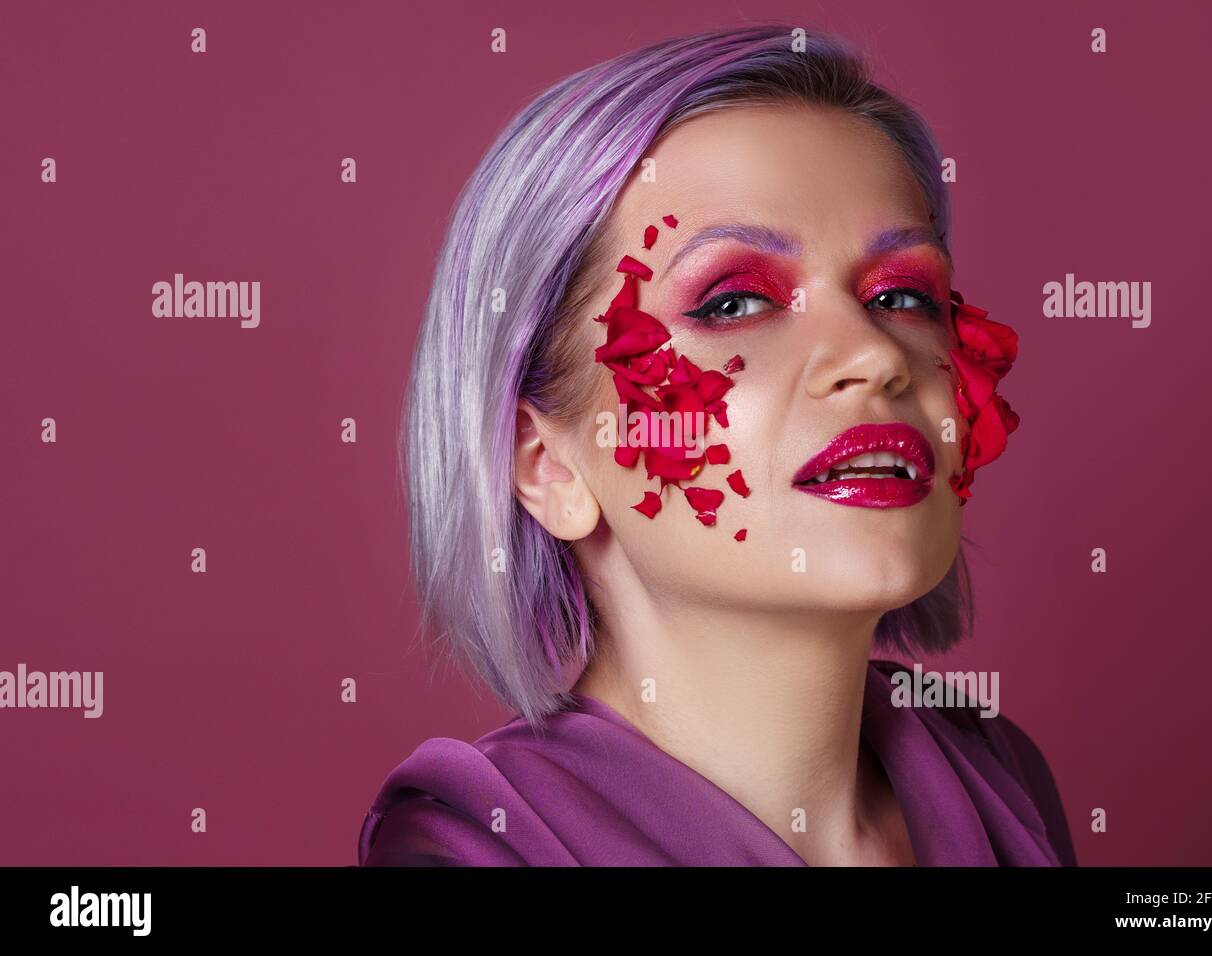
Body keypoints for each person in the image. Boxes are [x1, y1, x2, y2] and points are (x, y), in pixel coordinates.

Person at [358, 23, 1074, 867]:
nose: (875, 357)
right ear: (546, 465)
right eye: (733, 304)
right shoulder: (475, 853)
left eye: (903, 296)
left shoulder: (999, 779)